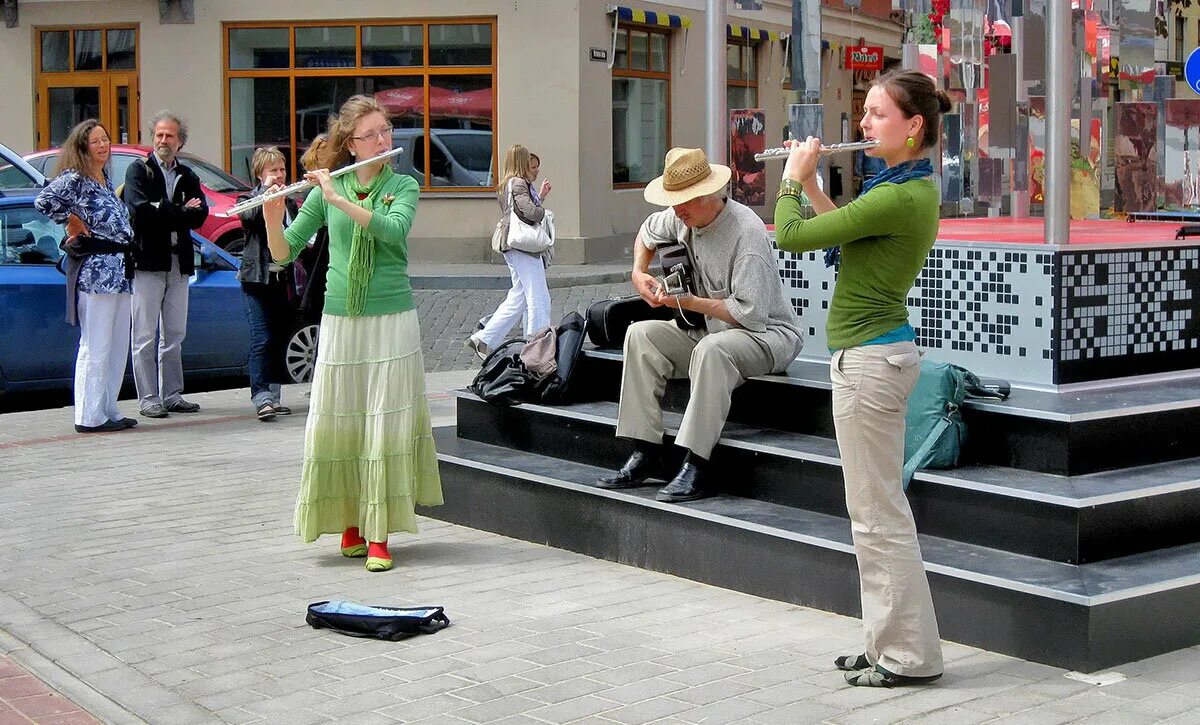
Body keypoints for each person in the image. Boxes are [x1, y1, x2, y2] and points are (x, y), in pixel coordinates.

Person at [774, 69, 951, 688]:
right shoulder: (904, 188)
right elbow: (847, 235)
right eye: (865, 114)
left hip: (871, 365)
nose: (864, 125)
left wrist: (793, 181)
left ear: (913, 127)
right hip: (876, 360)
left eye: (877, 114)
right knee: (873, 513)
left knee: (878, 518)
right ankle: (887, 642)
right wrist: (817, 187)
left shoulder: (898, 195)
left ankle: (908, 656)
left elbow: (792, 238)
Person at [262, 94, 443, 573]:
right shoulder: (327, 188)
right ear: (351, 143)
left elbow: (392, 230)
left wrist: (339, 198)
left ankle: (380, 532)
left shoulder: (403, 183)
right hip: (341, 318)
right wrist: (271, 211)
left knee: (383, 422)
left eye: (386, 131)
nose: (384, 140)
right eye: (373, 134)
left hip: (391, 319)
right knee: (343, 420)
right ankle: (349, 522)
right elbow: (284, 252)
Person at [596, 147, 803, 502]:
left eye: (684, 201)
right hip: (710, 328)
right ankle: (645, 449)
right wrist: (638, 272)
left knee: (712, 348)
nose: (677, 209)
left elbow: (750, 315)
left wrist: (689, 303)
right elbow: (646, 233)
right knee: (640, 334)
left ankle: (697, 462)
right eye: (673, 200)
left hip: (767, 336)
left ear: (709, 195)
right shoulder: (681, 217)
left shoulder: (746, 233)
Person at [35, 119, 137, 434]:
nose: (103, 146)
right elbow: (43, 201)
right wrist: (71, 220)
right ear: (83, 147)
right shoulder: (75, 179)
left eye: (105, 139)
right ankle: (89, 414)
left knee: (118, 344)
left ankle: (108, 408)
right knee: (97, 343)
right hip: (97, 273)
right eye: (95, 141)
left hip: (120, 270)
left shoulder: (104, 178)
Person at [124, 109, 208, 419]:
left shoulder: (188, 175)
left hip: (179, 262)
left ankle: (172, 394)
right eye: (159, 134)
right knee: (145, 335)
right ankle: (148, 397)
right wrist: (179, 210)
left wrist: (168, 211)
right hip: (148, 262)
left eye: (169, 135)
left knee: (174, 334)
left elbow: (200, 216)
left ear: (180, 141)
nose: (163, 140)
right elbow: (140, 211)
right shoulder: (138, 171)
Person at [464, 144, 552, 360]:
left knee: (520, 295)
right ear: (521, 161)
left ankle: (484, 339)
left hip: (512, 245)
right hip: (522, 247)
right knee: (537, 294)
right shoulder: (519, 183)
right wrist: (543, 212)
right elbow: (530, 212)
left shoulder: (507, 184)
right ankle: (537, 343)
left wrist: (539, 195)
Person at [236, 147, 299, 421]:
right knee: (261, 337)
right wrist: (265, 195)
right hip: (256, 279)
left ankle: (274, 396)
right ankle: (260, 396)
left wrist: (282, 202)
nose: (279, 175)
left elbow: (295, 231)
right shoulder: (248, 199)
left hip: (280, 278)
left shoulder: (289, 202)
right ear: (261, 174)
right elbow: (248, 218)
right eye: (273, 170)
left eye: (282, 169)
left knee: (278, 337)